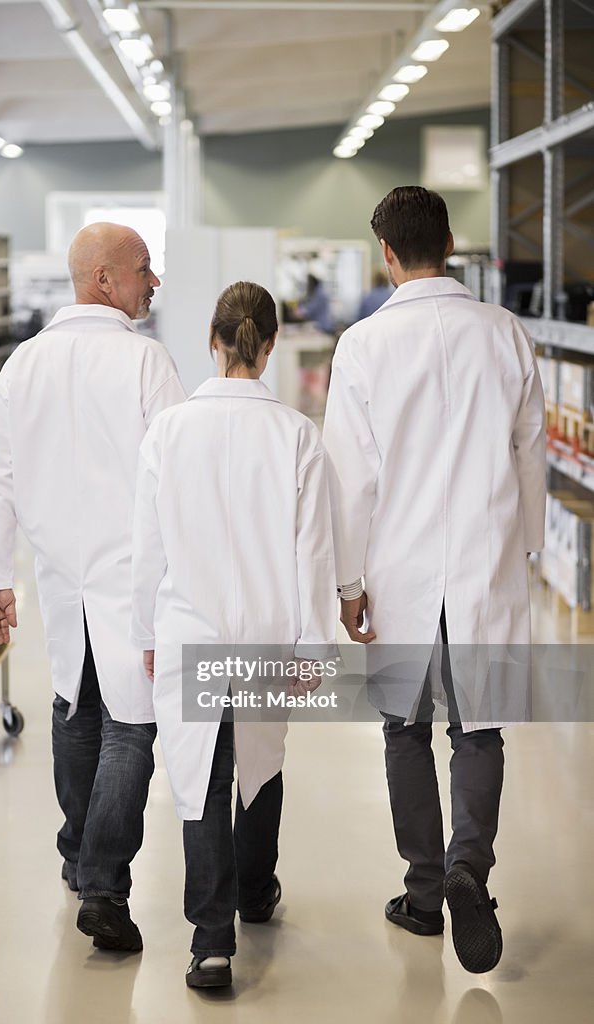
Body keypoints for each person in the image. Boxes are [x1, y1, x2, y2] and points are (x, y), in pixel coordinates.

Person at [323, 186, 546, 974]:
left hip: (399, 567)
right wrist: (521, 553)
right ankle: (468, 871)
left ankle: (423, 896)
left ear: (385, 253)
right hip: (486, 561)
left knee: (404, 730)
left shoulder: (362, 346)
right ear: (448, 242)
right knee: (479, 728)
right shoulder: (505, 333)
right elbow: (530, 457)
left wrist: (347, 584)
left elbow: (351, 481)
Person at [0, 223, 186, 953]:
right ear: (104, 280)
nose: (153, 281)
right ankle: (103, 883)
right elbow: (175, 484)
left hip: (58, 573)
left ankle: (76, 854)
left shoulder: (23, 364)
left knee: (75, 707)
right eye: (143, 269)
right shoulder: (147, 362)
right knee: (132, 724)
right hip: (132, 575)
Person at [131, 281, 336, 989]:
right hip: (267, 631)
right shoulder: (296, 435)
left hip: (188, 627)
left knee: (201, 778)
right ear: (270, 345)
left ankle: (210, 944)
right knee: (260, 761)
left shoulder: (167, 430)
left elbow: (147, 550)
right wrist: (314, 646)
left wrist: (144, 632)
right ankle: (255, 891)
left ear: (211, 343)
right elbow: (314, 553)